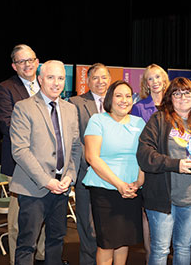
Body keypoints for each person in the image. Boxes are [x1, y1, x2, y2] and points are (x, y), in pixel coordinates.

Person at [10, 60, 82, 265]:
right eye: (50, 77)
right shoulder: (23, 108)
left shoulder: (70, 109)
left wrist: (69, 177)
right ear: (40, 79)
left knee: (56, 240)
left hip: (62, 187)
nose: (56, 83)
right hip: (33, 188)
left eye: (61, 78)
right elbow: (20, 151)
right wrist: (47, 181)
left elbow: (75, 148)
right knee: (27, 244)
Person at [137, 77, 191, 265]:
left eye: (186, 92)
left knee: (184, 247)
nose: (182, 97)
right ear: (169, 97)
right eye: (176, 93)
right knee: (161, 249)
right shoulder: (159, 119)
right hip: (163, 198)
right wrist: (175, 164)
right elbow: (144, 154)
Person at [83, 80, 146, 265]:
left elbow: (144, 155)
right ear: (110, 98)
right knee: (107, 243)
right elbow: (92, 157)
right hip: (105, 190)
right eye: (119, 95)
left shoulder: (139, 122)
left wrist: (139, 182)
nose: (124, 100)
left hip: (132, 190)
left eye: (128, 96)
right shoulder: (98, 120)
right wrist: (119, 184)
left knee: (123, 240)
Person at [0, 44, 46, 265]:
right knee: (18, 219)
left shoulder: (46, 85)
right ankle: (18, 260)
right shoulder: (5, 88)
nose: (27, 65)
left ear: (37, 62)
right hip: (19, 164)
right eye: (22, 61)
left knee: (44, 214)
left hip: (47, 163)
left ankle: (43, 256)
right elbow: (8, 126)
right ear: (14, 66)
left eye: (31, 60)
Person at [68, 63, 111, 265]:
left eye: (103, 77)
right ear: (88, 81)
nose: (100, 81)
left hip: (112, 176)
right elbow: (74, 139)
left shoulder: (117, 102)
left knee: (108, 227)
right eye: (95, 77)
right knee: (87, 226)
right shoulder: (76, 103)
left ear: (109, 80)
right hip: (86, 174)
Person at [131, 63, 169, 263]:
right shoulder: (138, 107)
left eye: (158, 77)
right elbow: (137, 141)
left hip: (171, 167)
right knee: (148, 214)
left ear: (164, 79)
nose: (155, 82)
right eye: (150, 79)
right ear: (146, 83)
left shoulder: (174, 103)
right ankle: (150, 256)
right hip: (149, 167)